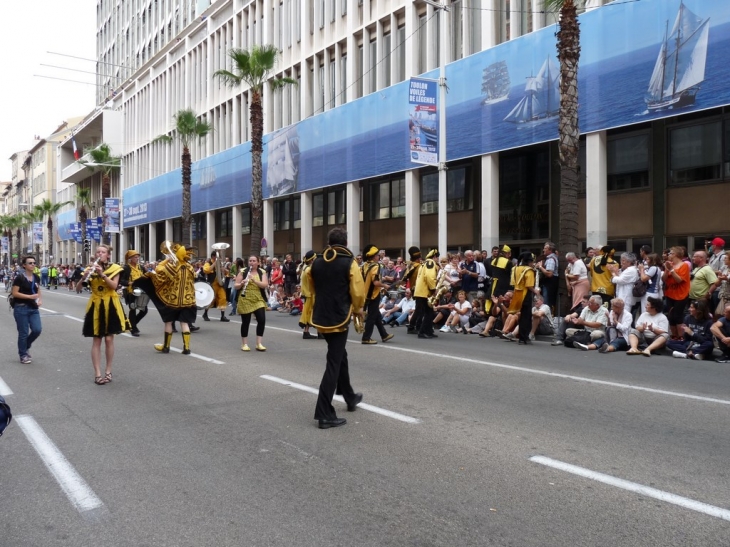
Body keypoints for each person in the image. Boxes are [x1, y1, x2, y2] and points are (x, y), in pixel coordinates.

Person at [310, 227, 366, 429]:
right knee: (333, 363)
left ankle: (349, 396)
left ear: (329, 242)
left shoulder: (316, 261)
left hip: (320, 315)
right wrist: (359, 309)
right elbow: (358, 292)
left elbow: (309, 286)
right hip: (339, 317)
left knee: (340, 356)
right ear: (346, 242)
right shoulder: (349, 263)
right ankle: (324, 413)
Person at [81, 244, 130, 385]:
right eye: (98, 252)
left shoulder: (115, 268)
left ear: (108, 255)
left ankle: (108, 370)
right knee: (96, 340)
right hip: (96, 304)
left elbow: (114, 286)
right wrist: (84, 277)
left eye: (103, 252)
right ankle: (97, 373)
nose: (100, 254)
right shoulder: (89, 268)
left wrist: (102, 274)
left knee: (109, 339)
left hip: (110, 304)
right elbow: (79, 287)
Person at [138, 243, 198, 355]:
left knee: (168, 323)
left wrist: (168, 259)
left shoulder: (172, 267)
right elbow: (195, 277)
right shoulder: (190, 267)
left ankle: (166, 347)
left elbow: (159, 269)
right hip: (188, 300)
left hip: (173, 301)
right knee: (184, 323)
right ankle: (186, 348)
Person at [360, 244, 395, 345]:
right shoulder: (376, 266)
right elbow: (375, 282)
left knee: (376, 316)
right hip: (373, 295)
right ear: (374, 256)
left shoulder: (364, 265)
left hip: (365, 294)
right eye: (378, 255)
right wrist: (384, 285)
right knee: (372, 317)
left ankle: (384, 334)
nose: (379, 256)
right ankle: (366, 338)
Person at [234, 255, 269, 352]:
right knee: (246, 322)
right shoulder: (243, 271)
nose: (252, 263)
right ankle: (244, 344)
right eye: (250, 261)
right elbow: (236, 286)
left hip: (258, 298)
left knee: (261, 319)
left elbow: (264, 285)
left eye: (254, 261)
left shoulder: (262, 272)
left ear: (258, 262)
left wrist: (253, 280)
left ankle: (259, 343)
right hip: (245, 299)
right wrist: (241, 283)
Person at [12, 255, 42, 365]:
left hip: (33, 308)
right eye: (30, 263)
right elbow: (15, 293)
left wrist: (40, 300)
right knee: (23, 333)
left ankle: (26, 346)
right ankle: (23, 354)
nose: (33, 264)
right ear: (24, 265)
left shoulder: (36, 277)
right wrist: (29, 297)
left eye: (34, 262)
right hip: (21, 307)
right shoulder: (20, 278)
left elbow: (38, 290)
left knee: (37, 329)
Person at [508, 252, 540, 345]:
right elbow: (529, 285)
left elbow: (513, 282)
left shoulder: (515, 268)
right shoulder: (529, 270)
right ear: (529, 262)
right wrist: (536, 291)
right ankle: (524, 337)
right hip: (526, 295)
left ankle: (521, 336)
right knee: (526, 317)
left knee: (520, 315)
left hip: (517, 293)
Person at [662, 246, 691, 340]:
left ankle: (681, 337)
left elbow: (679, 280)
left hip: (681, 294)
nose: (668, 255)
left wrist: (671, 270)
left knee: (678, 316)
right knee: (670, 316)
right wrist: (667, 270)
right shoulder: (669, 264)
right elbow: (663, 279)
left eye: (670, 253)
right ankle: (674, 336)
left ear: (676, 255)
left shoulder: (684, 265)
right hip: (670, 293)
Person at [119, 249, 148, 337]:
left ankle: (132, 324)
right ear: (130, 258)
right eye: (135, 257)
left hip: (141, 291)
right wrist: (129, 283)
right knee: (133, 308)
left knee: (144, 310)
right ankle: (133, 329)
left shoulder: (141, 267)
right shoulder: (126, 268)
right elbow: (121, 280)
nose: (137, 258)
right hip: (131, 291)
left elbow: (147, 276)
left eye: (138, 257)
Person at [415, 249, 441, 339]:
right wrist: (433, 289)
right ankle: (422, 332)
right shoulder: (431, 263)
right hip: (424, 292)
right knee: (428, 313)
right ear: (434, 257)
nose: (438, 259)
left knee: (429, 312)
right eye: (437, 257)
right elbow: (430, 276)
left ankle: (429, 331)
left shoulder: (424, 263)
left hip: (420, 291)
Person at [202, 251, 230, 322]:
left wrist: (224, 270)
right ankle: (205, 314)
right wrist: (215, 263)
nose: (220, 258)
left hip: (220, 284)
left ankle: (222, 316)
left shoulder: (220, 264)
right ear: (213, 257)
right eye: (218, 257)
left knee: (223, 298)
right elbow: (206, 270)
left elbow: (227, 273)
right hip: (212, 284)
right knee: (211, 300)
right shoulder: (208, 263)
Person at [299, 250, 320, 339]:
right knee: (312, 312)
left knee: (309, 312)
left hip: (308, 293)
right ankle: (308, 332)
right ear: (312, 260)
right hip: (311, 294)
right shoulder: (309, 270)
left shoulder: (304, 268)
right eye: (315, 258)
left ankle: (312, 331)